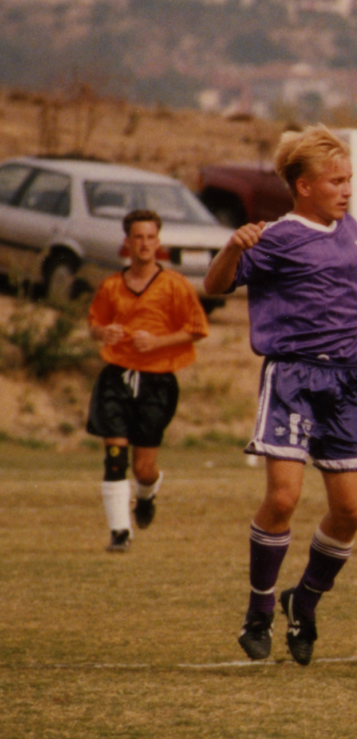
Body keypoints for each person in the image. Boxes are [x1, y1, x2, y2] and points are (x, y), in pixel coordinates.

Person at [204, 125, 357, 665]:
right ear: (303, 186)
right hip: (295, 377)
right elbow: (215, 285)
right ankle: (258, 610)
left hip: (348, 384)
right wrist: (232, 247)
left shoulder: (351, 230)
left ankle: (307, 600)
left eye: (348, 180)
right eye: (335, 181)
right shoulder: (277, 236)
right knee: (283, 498)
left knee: (351, 510)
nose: (346, 190)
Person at [86, 209, 209, 552]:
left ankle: (147, 495)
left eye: (150, 237)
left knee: (143, 468)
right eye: (137, 237)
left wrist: (158, 341)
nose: (144, 243)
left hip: (157, 382)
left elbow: (197, 329)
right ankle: (119, 533)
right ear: (127, 242)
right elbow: (94, 325)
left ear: (159, 242)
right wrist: (103, 331)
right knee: (114, 455)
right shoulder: (112, 285)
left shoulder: (174, 285)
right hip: (117, 377)